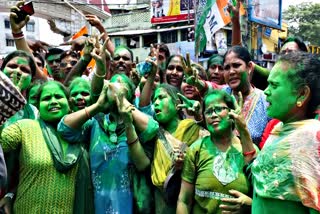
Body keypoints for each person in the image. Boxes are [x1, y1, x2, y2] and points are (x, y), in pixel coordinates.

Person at [59, 73, 159, 213]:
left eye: (122, 85)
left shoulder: (136, 124)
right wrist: (98, 106)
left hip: (131, 203)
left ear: (130, 94)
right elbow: (64, 128)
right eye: (112, 85)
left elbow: (152, 129)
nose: (116, 88)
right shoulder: (96, 122)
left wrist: (123, 103)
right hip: (97, 202)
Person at [242, 52, 320, 213]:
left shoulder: (310, 140)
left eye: (274, 85)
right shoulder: (279, 129)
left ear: (301, 94)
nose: (266, 91)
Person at [0, 81, 93, 213]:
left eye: (58, 97)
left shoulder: (84, 131)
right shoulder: (25, 127)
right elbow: (2, 143)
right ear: (38, 106)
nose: (53, 101)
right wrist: (5, 106)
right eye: (46, 98)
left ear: (69, 103)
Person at [177, 90, 254, 213]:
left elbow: (263, 199)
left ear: (232, 112)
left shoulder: (249, 151)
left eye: (219, 109)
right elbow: (184, 200)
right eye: (208, 111)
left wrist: (250, 205)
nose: (213, 115)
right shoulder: (196, 149)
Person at [150, 83, 209, 213]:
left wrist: (199, 116)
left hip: (189, 200)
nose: (156, 103)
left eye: (161, 97)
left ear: (177, 104)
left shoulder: (192, 128)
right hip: (161, 202)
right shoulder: (153, 132)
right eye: (154, 100)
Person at [222, 45, 269, 145]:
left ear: (249, 67)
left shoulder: (266, 101)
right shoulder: (220, 96)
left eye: (236, 65)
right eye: (226, 67)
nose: (231, 72)